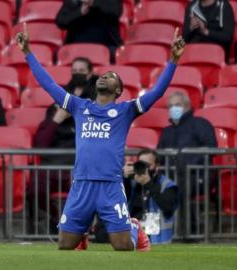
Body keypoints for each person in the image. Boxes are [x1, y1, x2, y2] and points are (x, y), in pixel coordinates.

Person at [16, 22, 185, 251]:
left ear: (118, 90)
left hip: (110, 185)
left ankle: (134, 229)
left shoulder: (125, 110)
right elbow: (48, 84)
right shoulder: (78, 106)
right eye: (103, 75)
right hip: (82, 184)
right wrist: (27, 52)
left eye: (112, 76)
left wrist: (173, 60)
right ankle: (82, 235)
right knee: (64, 246)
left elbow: (156, 92)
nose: (105, 77)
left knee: (123, 247)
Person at [31, 57, 98, 233]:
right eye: (74, 71)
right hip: (53, 165)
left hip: (80, 163)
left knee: (85, 191)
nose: (77, 74)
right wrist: (56, 120)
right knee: (33, 188)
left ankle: (81, 227)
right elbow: (40, 144)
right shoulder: (59, 100)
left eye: (81, 71)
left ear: (90, 73)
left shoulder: (95, 103)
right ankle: (57, 218)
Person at [157, 91, 217, 235]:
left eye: (177, 105)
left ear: (188, 106)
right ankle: (152, 232)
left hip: (199, 175)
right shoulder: (166, 132)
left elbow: (211, 148)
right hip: (172, 175)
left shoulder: (201, 124)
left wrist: (186, 165)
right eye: (170, 106)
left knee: (179, 188)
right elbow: (159, 155)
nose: (173, 109)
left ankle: (185, 232)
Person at [125, 149, 179, 244]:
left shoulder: (167, 185)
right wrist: (124, 178)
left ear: (157, 167)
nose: (144, 169)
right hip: (133, 238)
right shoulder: (133, 183)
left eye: (147, 165)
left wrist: (148, 183)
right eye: (141, 165)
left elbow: (169, 208)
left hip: (157, 241)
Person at [55, 0, 123, 60]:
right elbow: (60, 21)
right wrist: (79, 12)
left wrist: (93, 2)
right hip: (75, 47)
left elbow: (115, 11)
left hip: (107, 47)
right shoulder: (74, 2)